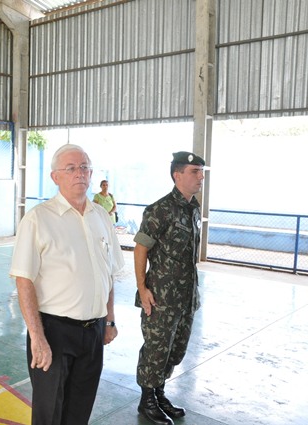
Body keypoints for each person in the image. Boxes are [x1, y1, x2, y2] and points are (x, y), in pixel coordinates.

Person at [10, 144, 125, 425]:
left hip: (94, 331)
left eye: (85, 167)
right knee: (49, 413)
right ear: (55, 177)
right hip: (54, 332)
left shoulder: (101, 217)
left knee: (79, 411)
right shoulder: (38, 219)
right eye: (71, 168)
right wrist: (37, 338)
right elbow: (24, 281)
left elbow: (108, 274)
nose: (80, 174)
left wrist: (109, 320)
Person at [133, 151, 205, 425]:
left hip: (186, 296)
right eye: (194, 171)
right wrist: (142, 288)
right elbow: (141, 248)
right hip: (161, 296)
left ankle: (159, 393)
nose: (200, 177)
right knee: (156, 349)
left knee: (176, 350)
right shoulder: (160, 209)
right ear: (178, 175)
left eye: (201, 172)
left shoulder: (193, 207)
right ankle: (146, 400)